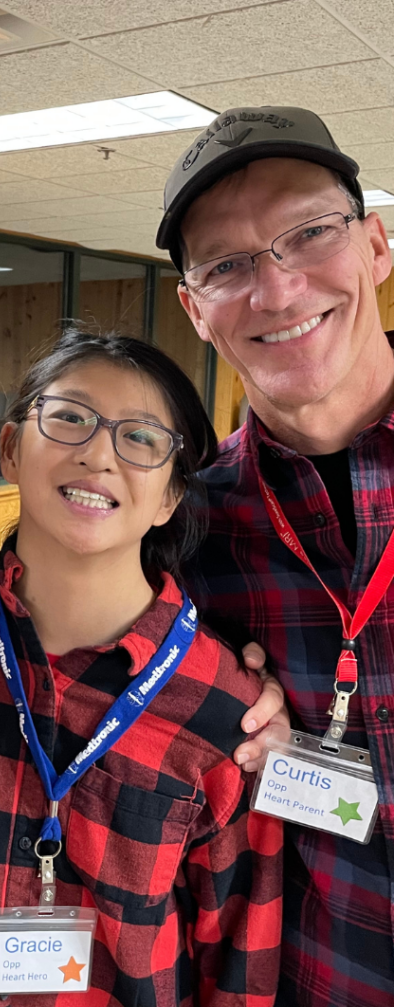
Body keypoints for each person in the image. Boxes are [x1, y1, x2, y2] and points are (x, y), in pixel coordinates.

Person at [0, 331, 284, 1006]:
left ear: (169, 497)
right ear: (12, 450)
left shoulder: (227, 708)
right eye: (71, 418)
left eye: (140, 439)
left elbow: (241, 957)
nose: (99, 454)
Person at [157, 106, 394, 1007]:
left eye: (309, 233)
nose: (279, 288)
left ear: (374, 244)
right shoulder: (183, 530)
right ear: (194, 310)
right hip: (321, 976)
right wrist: (217, 714)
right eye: (227, 265)